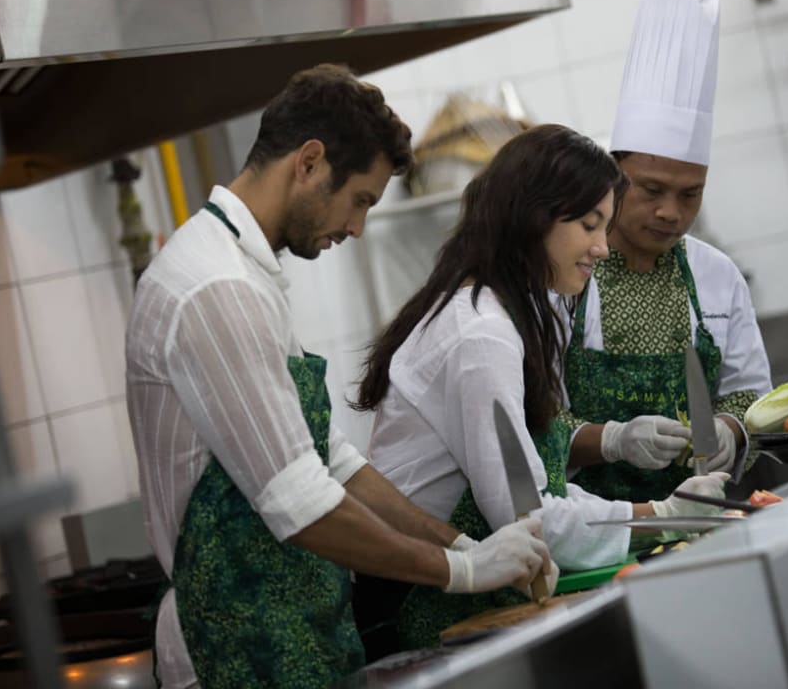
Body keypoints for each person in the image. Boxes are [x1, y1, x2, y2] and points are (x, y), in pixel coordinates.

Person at [125, 64, 556, 689]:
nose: (356, 228)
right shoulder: (215, 287)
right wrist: (458, 571)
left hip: (289, 629)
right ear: (309, 162)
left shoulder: (246, 276)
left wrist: (461, 544)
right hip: (232, 646)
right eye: (359, 200)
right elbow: (301, 503)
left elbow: (331, 462)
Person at [352, 124, 728, 655]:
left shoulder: (502, 314)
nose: (602, 248)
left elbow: (534, 491)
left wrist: (658, 510)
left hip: (465, 595)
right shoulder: (482, 336)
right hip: (424, 606)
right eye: (589, 225)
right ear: (535, 218)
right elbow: (529, 520)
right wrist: (662, 517)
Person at [562, 0, 773, 504]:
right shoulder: (564, 272)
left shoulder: (716, 275)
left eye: (690, 194)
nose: (670, 213)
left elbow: (752, 392)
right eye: (652, 190)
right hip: (594, 527)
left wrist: (731, 429)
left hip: (705, 509)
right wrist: (612, 441)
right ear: (614, 175)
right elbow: (535, 422)